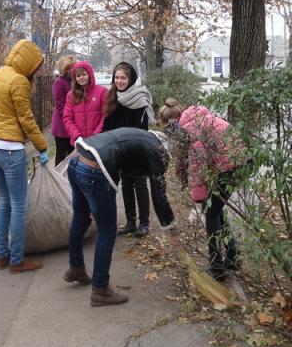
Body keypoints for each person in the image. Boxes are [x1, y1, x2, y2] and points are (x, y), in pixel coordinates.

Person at [64, 127, 176, 306]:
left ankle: (76, 268)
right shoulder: (158, 152)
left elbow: (122, 166)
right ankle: (100, 290)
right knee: (107, 230)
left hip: (76, 161)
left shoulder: (144, 139)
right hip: (94, 169)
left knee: (80, 218)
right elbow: (158, 193)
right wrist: (170, 226)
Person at [0, 39, 49, 274]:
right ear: (29, 63)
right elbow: (26, 119)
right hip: (10, 149)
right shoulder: (19, 80)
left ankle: (2, 255)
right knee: (19, 206)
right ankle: (17, 260)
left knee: (4, 203)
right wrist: (42, 147)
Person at [158, 99, 244, 282]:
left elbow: (199, 171)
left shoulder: (192, 131)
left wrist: (197, 204)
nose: (171, 135)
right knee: (217, 210)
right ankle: (233, 257)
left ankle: (217, 267)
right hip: (239, 162)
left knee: (211, 214)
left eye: (169, 130)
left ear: (174, 123)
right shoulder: (196, 119)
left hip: (231, 165)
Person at [103, 61, 154, 237]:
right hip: (119, 150)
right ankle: (130, 222)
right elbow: (108, 124)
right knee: (126, 185)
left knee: (140, 184)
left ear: (130, 79)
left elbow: (141, 129)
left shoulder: (140, 99)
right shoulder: (112, 97)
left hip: (137, 149)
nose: (119, 81)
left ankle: (144, 223)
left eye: (123, 78)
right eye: (116, 77)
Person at [63, 61, 108, 146]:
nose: (81, 77)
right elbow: (67, 119)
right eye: (78, 76)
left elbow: (105, 116)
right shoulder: (71, 95)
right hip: (80, 142)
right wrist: (77, 136)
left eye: (84, 74)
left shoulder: (102, 91)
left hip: (99, 141)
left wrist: (96, 135)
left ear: (90, 75)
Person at [51, 55, 76, 165]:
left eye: (73, 67)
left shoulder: (74, 81)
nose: (71, 70)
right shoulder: (59, 83)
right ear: (63, 69)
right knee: (61, 155)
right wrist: (70, 119)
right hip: (62, 126)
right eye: (68, 68)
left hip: (72, 124)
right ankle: (58, 175)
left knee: (72, 154)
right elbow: (60, 106)